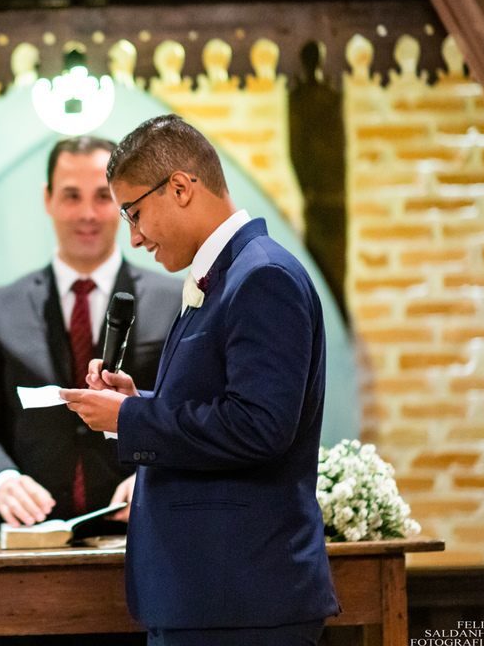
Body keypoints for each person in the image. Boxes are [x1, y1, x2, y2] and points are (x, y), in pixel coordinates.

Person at [62, 115, 340, 645]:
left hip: (242, 593)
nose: (134, 237)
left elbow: (259, 426)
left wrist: (133, 418)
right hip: (210, 593)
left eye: (134, 213)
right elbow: (225, 402)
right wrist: (135, 402)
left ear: (181, 188)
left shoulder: (262, 277)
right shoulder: (226, 276)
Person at [0, 136, 179, 542]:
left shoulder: (174, 301)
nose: (87, 213)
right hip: (27, 540)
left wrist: (157, 472)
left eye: (103, 197)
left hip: (143, 534)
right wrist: (1, 480)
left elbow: (188, 414)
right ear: (48, 199)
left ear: (123, 203)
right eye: (72, 196)